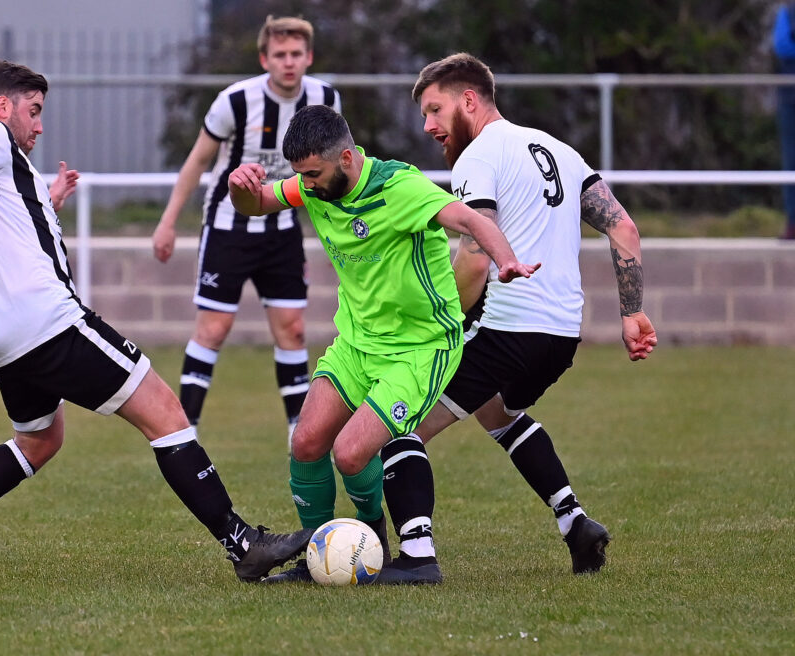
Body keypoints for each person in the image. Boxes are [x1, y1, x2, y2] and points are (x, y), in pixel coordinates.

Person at [0, 58, 311, 582]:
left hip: (0, 340)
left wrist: (48, 199)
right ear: (4, 107)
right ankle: (243, 544)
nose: (40, 125)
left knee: (39, 441)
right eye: (35, 111)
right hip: (49, 324)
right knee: (166, 413)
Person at [373, 52, 658, 584]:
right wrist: (632, 313)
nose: (430, 126)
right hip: (559, 337)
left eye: (435, 110)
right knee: (497, 414)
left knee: (394, 421)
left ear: (469, 100)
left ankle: (416, 556)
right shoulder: (563, 152)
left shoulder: (478, 158)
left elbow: (476, 254)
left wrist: (439, 327)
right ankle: (576, 523)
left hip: (507, 327)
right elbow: (625, 231)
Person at [227, 104, 538, 583]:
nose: (305, 185)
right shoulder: (313, 184)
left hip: (421, 346)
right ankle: (319, 557)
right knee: (306, 441)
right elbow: (258, 204)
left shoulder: (401, 188)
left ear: (347, 158)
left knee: (351, 453)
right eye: (299, 176)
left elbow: (472, 221)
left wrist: (507, 261)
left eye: (313, 174)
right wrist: (238, 190)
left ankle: (365, 548)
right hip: (357, 343)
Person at [152, 16, 341, 446]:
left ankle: (300, 435)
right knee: (214, 330)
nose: (289, 63)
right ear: (265, 58)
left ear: (308, 57)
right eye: (280, 55)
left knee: (292, 330)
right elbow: (198, 161)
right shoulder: (234, 101)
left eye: (297, 54)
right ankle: (186, 432)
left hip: (283, 228)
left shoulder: (324, 98)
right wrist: (167, 223)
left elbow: (330, 168)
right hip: (228, 228)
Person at [774, 4, 795, 240]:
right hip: (791, 98)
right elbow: (783, 47)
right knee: (791, 160)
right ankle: (793, 222)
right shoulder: (788, 11)